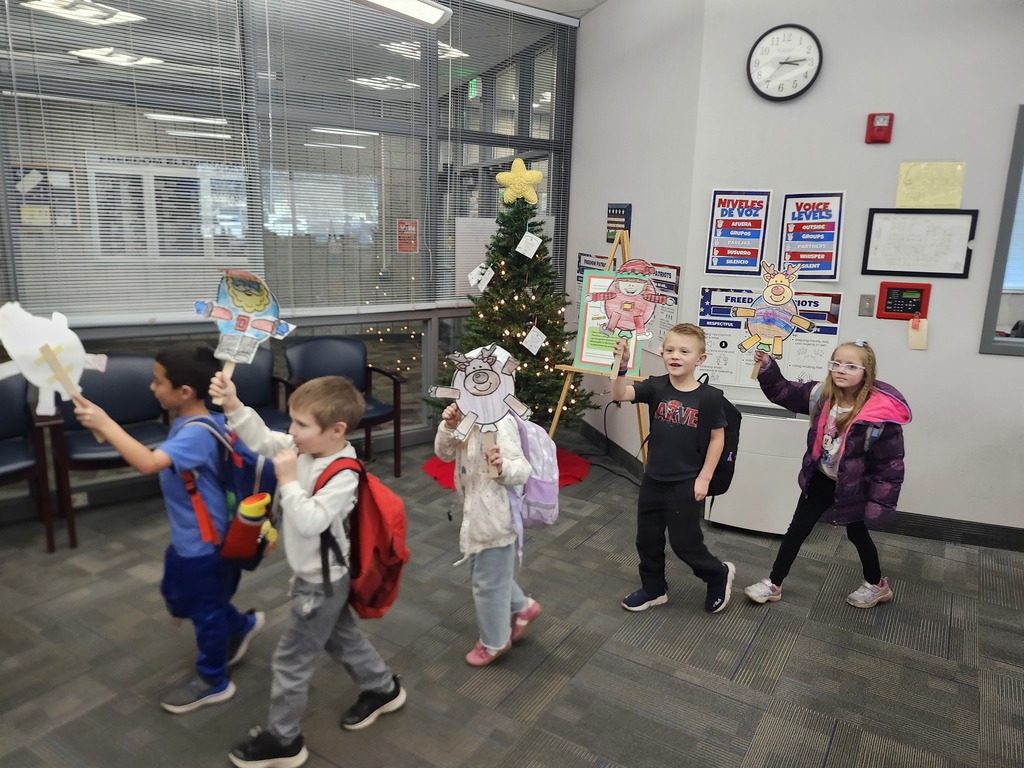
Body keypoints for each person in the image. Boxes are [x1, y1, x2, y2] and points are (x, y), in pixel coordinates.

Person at [210, 373, 405, 768]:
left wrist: (287, 482)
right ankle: (382, 688)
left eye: (301, 425)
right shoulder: (307, 450)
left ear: (336, 430)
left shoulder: (343, 473)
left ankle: (284, 741)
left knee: (290, 660)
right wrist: (232, 404)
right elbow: (263, 439)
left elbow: (311, 519)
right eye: (293, 421)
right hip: (318, 576)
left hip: (320, 582)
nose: (292, 432)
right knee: (340, 638)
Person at [72, 344, 264, 714]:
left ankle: (213, 680)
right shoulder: (193, 422)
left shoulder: (195, 433)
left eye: (158, 382)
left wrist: (105, 423)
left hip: (205, 544)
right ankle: (242, 625)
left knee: (205, 611)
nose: (151, 387)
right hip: (191, 538)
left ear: (184, 392)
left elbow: (148, 464)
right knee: (189, 596)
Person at [742, 340, 912, 609]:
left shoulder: (880, 414)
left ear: (866, 372)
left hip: (855, 485)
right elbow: (785, 391)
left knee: (857, 534)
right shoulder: (820, 395)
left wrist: (879, 504)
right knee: (797, 530)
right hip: (822, 477)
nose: (841, 370)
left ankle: (878, 585)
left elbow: (889, 465)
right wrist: (768, 368)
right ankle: (774, 583)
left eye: (850, 366)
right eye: (836, 364)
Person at [610, 323, 736, 614]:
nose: (675, 356)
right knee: (647, 539)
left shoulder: (709, 397)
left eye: (683, 351)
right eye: (669, 350)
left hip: (685, 482)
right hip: (653, 479)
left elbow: (718, 438)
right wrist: (622, 367)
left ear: (700, 359)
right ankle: (654, 589)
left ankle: (717, 573)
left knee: (685, 543)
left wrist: (703, 479)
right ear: (662, 353)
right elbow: (619, 393)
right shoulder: (656, 386)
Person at [435, 401, 542, 667]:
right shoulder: (467, 417)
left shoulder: (501, 423)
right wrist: (448, 427)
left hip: (496, 519)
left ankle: (494, 641)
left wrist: (502, 465)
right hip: (477, 513)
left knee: (487, 583)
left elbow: (522, 469)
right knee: (489, 573)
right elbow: (444, 454)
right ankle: (522, 605)